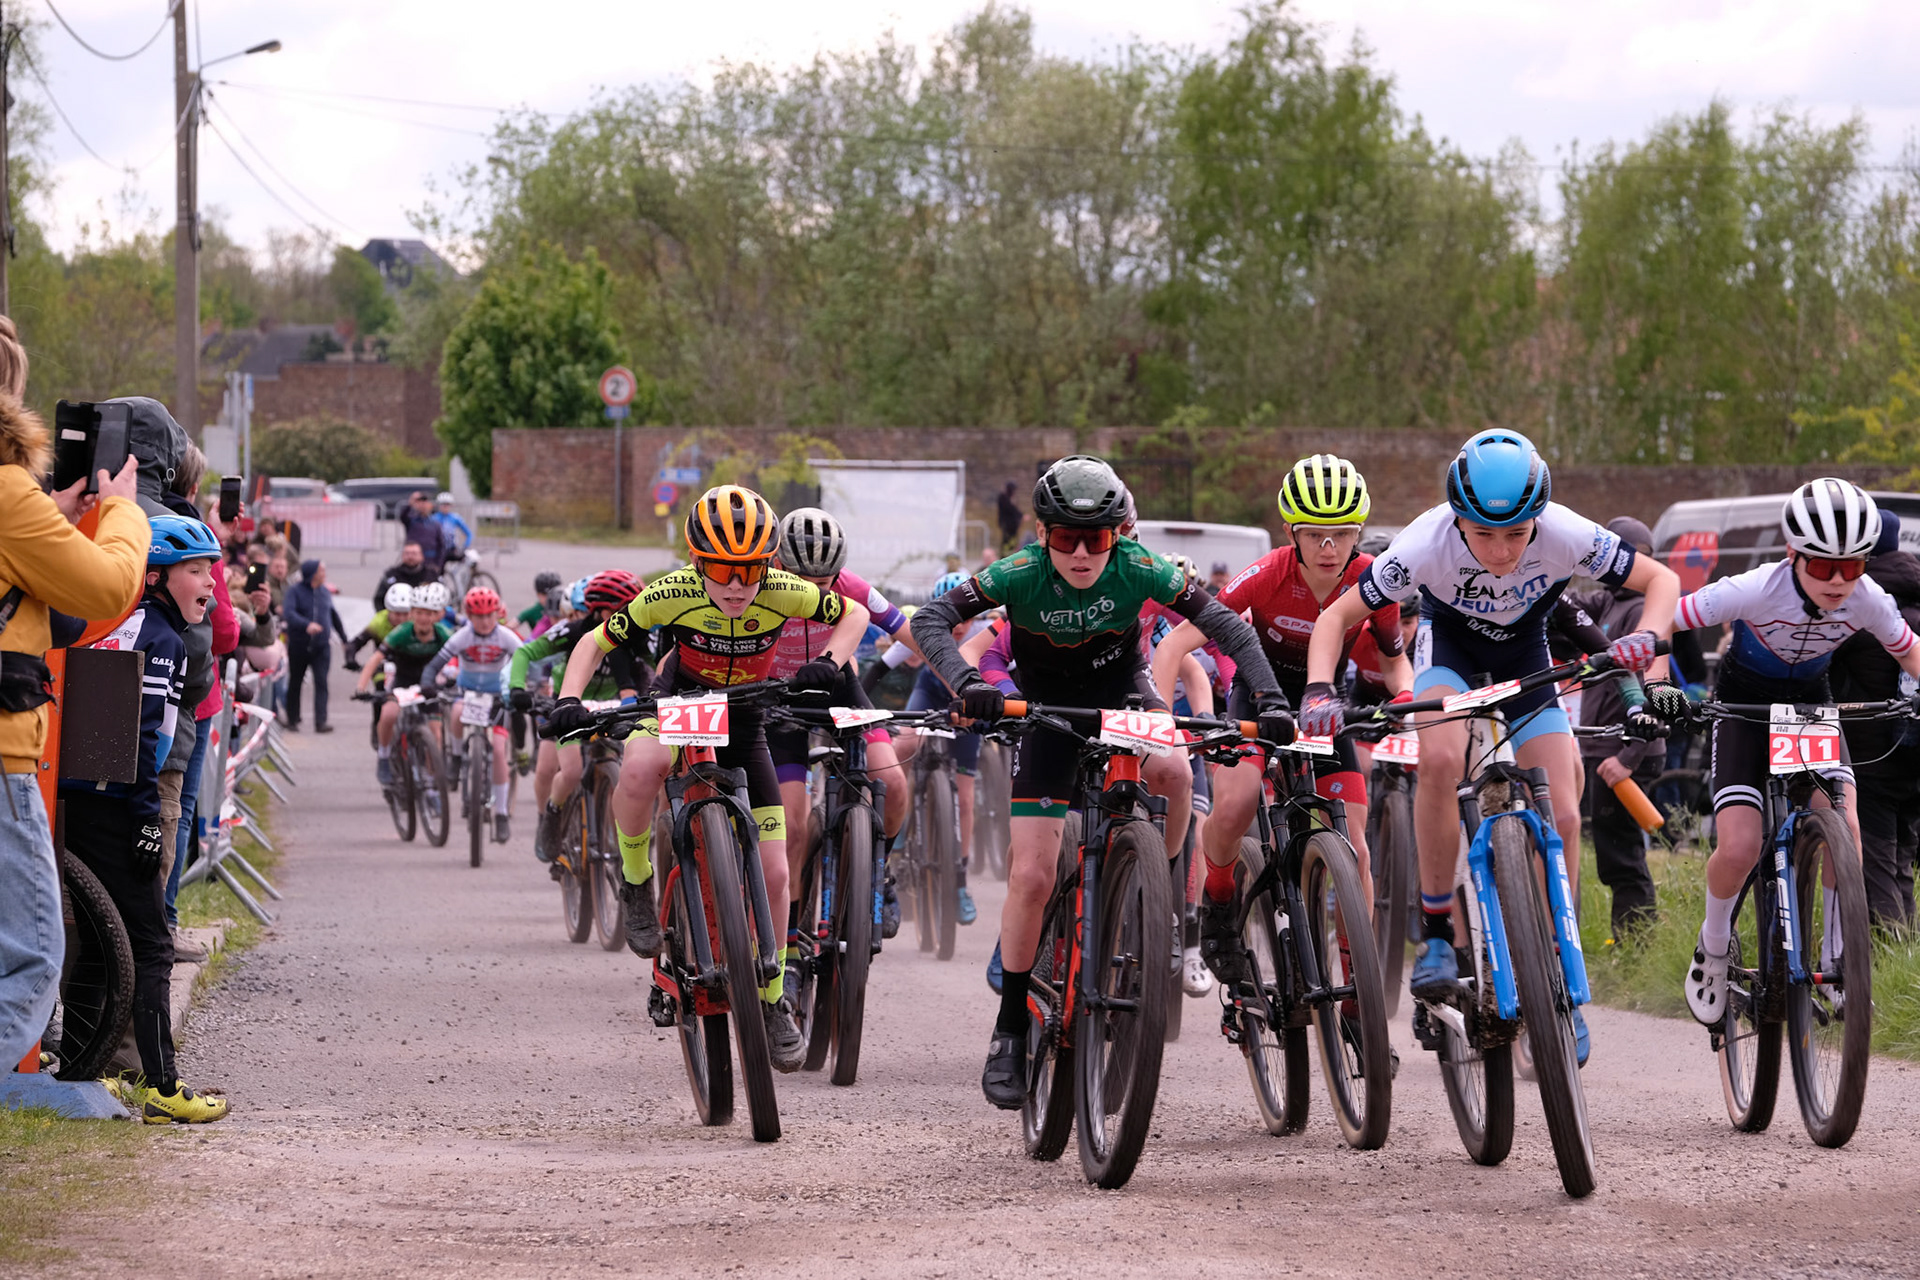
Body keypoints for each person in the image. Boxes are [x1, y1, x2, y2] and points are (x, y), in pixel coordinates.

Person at [911, 455, 1291, 1109]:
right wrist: (969, 683)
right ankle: (1009, 1028)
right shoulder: (1018, 573)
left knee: (1174, 769)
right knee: (1031, 875)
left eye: (1098, 538)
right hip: (1046, 708)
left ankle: (1155, 890)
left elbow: (1227, 625)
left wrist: (1271, 697)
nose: (1083, 553)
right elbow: (929, 621)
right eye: (1066, 538)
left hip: (1123, 694)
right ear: (1042, 534)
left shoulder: (1140, 567)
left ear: (1118, 535)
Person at [1302, 429, 1678, 1067]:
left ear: (1538, 520)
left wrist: (1649, 636)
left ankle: (1558, 970)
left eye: (1517, 534)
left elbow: (1661, 580)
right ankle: (1437, 931)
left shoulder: (1565, 531)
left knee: (1565, 810)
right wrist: (1317, 690)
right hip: (1449, 651)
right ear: (1457, 519)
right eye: (1484, 535)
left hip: (1527, 654)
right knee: (1440, 760)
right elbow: (1335, 618)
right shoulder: (1425, 540)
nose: (1502, 551)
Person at [545, 485, 871, 1073]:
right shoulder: (670, 592)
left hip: (745, 720)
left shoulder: (784, 590)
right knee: (640, 768)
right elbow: (594, 641)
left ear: (768, 564)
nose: (738, 585)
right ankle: (636, 881)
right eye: (722, 570)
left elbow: (855, 613)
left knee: (777, 872)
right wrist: (569, 697)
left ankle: (773, 1000)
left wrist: (832, 661)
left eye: (750, 569)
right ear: (697, 562)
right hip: (678, 706)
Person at [1663, 481, 1920, 1025]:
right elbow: (1663, 619)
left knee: (1845, 827)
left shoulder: (1869, 598)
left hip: (1808, 707)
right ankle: (1713, 947)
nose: (1838, 581)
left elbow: (1910, 651)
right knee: (1739, 847)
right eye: (1823, 566)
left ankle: (1837, 958)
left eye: (1852, 567)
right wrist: (1657, 686)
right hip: (1743, 706)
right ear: (1792, 554)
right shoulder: (1754, 588)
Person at [1151, 455, 1409, 992]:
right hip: (1258, 702)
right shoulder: (1268, 574)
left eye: (1343, 534)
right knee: (1236, 804)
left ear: (1359, 531)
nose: (1329, 548)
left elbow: (1393, 661)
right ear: (1291, 532)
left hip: (1323, 709)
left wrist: (1405, 696)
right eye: (1314, 534)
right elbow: (1176, 644)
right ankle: (1218, 903)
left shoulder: (1373, 580)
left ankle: (1358, 993)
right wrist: (1160, 722)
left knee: (1357, 850)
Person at [0, 374, 147, 1079]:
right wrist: (123, 512)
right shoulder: (7, 493)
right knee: (32, 953)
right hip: (4, 750)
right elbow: (105, 587)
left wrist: (52, 515)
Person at [62, 515, 229, 1122]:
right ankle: (162, 1087)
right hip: (121, 804)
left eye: (210, 570)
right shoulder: (164, 640)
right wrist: (148, 822)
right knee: (153, 946)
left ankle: (77, 1068)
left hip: (74, 799)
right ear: (155, 576)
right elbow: (141, 740)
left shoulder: (104, 622)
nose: (209, 583)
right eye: (196, 570)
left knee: (95, 944)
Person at [767, 508, 920, 943]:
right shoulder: (760, 588)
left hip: (838, 687)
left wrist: (964, 683)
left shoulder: (852, 587)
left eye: (825, 582)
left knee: (893, 783)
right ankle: (791, 943)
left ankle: (880, 871)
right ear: (778, 565)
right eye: (803, 582)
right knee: (792, 828)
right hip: (779, 698)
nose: (815, 593)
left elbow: (912, 635)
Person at [1570, 517, 1665, 943]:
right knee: (1611, 853)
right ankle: (1626, 940)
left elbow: (1656, 688)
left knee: (1623, 855)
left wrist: (1628, 757)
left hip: (1626, 751)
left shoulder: (1642, 610)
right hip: (1604, 746)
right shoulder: (1611, 601)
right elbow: (1570, 603)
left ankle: (1637, 944)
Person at [508, 570, 646, 862]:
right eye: (624, 609)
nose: (630, 615)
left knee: (629, 768)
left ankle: (619, 833)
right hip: (569, 707)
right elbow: (525, 653)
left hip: (609, 707)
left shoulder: (633, 634)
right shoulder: (573, 631)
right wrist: (517, 688)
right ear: (602, 610)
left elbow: (657, 664)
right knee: (569, 771)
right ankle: (551, 815)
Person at [1829, 512, 1920, 928]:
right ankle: (1907, 946)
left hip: (1871, 752)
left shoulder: (1858, 610)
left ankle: (1886, 945)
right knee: (1903, 852)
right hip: (1914, 752)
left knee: (1876, 854)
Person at [422, 586, 524, 841]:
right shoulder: (462, 637)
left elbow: (525, 660)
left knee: (499, 751)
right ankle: (456, 757)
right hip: (467, 693)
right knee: (456, 712)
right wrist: (427, 683)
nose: (485, 622)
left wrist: (525, 686)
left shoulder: (506, 636)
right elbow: (435, 664)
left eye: (489, 615)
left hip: (497, 697)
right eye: (478, 617)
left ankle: (501, 813)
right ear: (469, 616)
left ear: (497, 614)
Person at [356, 584, 454, 785]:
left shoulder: (444, 633)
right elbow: (375, 659)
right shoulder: (401, 632)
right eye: (419, 613)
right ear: (412, 614)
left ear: (436, 616)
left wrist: (456, 678)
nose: (424, 618)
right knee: (388, 714)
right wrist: (361, 687)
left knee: (436, 732)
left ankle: (432, 781)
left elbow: (459, 657)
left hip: (428, 684)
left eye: (429, 614)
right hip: (403, 681)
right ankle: (384, 756)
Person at [282, 559, 348, 732]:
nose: (324, 574)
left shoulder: (324, 592)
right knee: (295, 682)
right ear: (312, 574)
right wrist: (306, 625)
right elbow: (289, 613)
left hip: (321, 646)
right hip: (300, 645)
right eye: (321, 571)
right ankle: (292, 719)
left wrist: (344, 639)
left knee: (322, 682)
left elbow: (333, 615)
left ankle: (321, 721)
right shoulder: (294, 592)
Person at [371, 542, 439, 623]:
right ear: (402, 555)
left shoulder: (431, 575)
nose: (410, 557)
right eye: (407, 553)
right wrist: (388, 618)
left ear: (421, 556)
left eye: (414, 553)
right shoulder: (391, 575)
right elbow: (379, 599)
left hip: (425, 621)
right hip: (395, 621)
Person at [402, 491, 450, 572]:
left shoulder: (435, 524)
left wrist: (439, 564)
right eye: (420, 503)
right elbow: (403, 516)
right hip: (414, 562)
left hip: (430, 562)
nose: (423, 506)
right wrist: (411, 503)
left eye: (425, 503)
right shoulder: (411, 521)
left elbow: (441, 546)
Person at [433, 492, 474, 557]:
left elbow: (468, 533)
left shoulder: (455, 518)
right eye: (442, 504)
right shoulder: (433, 518)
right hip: (438, 550)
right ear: (439, 505)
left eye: (447, 504)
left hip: (452, 548)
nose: (445, 506)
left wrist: (465, 546)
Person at [996, 480, 1023, 554]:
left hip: (1012, 525)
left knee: (1012, 541)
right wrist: (1020, 515)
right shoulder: (1003, 498)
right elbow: (1010, 509)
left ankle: (1010, 553)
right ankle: (1005, 554)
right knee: (1007, 541)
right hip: (1007, 525)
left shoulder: (1009, 498)